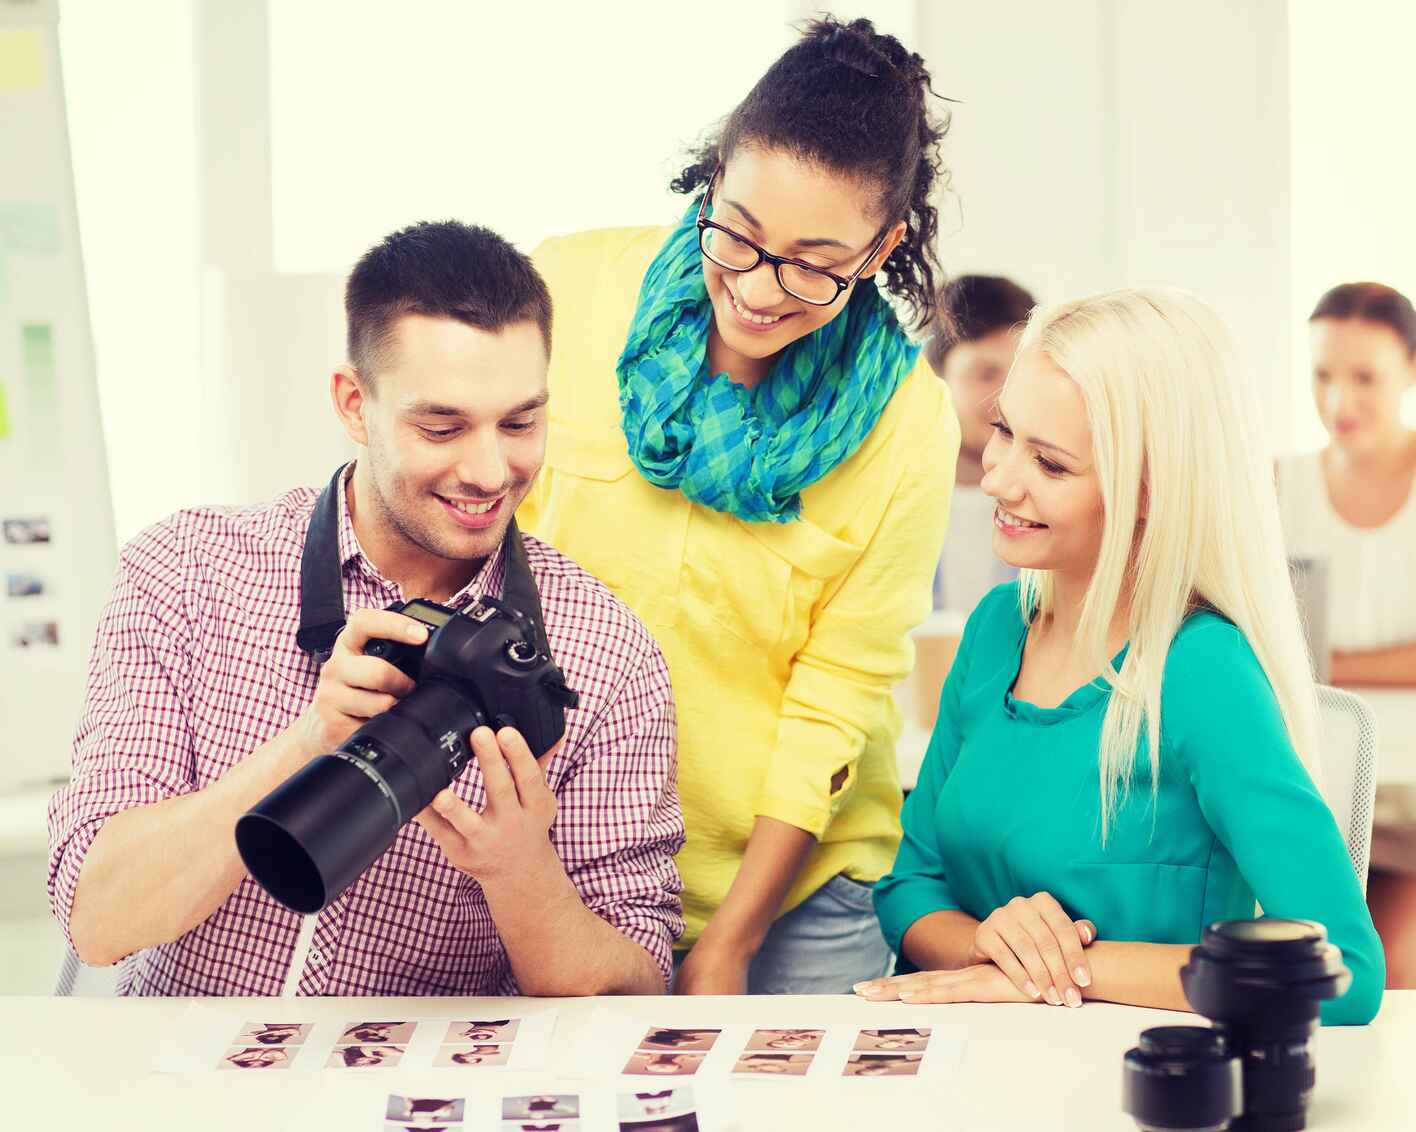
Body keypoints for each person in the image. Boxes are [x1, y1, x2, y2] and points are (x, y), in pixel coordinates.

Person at [47, 221, 684, 996]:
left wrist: (520, 870)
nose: (489, 471)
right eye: (441, 425)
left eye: (519, 423)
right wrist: (312, 741)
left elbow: (637, 996)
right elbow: (96, 918)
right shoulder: (185, 573)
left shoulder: (605, 653)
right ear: (355, 404)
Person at [520, 14, 958, 996]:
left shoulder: (909, 427)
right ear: (714, 177)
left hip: (791, 888)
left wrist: (733, 939)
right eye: (741, 235)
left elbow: (838, 689)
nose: (760, 290)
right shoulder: (564, 290)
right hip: (565, 853)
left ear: (882, 245)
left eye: (814, 261)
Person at [859, 288, 1385, 1025]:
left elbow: (1346, 973)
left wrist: (1068, 968)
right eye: (1004, 431)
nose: (1001, 477)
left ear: (1148, 489)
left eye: (1050, 462)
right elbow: (912, 888)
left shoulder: (1201, 672)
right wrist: (989, 942)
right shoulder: (992, 631)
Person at [1278, 281, 1416, 990]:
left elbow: (1295, 650)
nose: (1339, 401)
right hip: (1321, 769)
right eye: (1322, 375)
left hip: (1410, 787)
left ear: (1410, 373)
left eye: (1365, 377)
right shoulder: (1281, 486)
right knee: (1314, 966)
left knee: (1392, 969)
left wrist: (1327, 660)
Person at [925, 274, 1034, 615]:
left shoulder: (1058, 512)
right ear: (935, 378)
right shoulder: (880, 506)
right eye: (985, 374)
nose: (1006, 396)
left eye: (1019, 372)